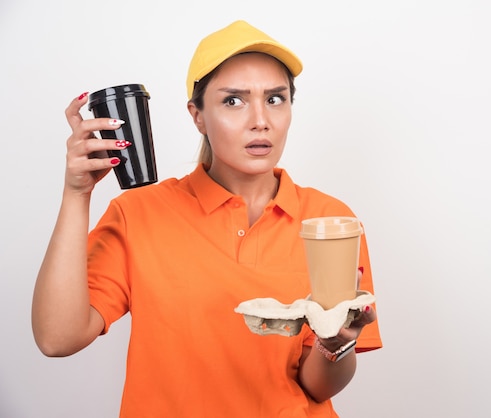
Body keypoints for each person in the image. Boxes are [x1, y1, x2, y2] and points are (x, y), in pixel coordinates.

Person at [32, 20, 382, 417]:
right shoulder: (138, 214)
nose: (260, 120)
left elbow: (316, 386)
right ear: (197, 116)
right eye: (233, 100)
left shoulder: (330, 220)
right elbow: (57, 338)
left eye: (275, 98)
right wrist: (76, 194)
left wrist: (335, 344)